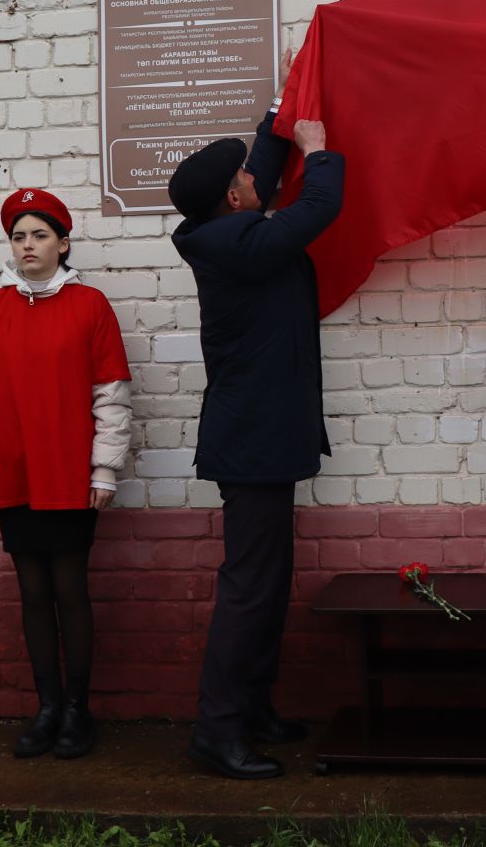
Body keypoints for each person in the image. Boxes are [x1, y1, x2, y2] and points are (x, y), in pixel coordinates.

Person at [167, 79, 344, 780]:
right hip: (253, 442)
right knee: (249, 586)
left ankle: (254, 708)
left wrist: (283, 101)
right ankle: (217, 730)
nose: (253, 177)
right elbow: (320, 206)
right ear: (234, 201)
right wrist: (319, 149)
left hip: (262, 436)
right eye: (243, 177)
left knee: (268, 582)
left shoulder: (223, 226)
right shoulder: (239, 243)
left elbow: (260, 175)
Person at [0, 188, 133, 761]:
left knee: (69, 587)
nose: (27, 245)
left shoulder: (91, 306)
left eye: (38, 234)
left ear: (62, 242)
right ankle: (47, 707)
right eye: (18, 235)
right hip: (13, 470)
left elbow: (111, 395)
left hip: (68, 472)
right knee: (32, 591)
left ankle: (79, 711)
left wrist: (105, 468)